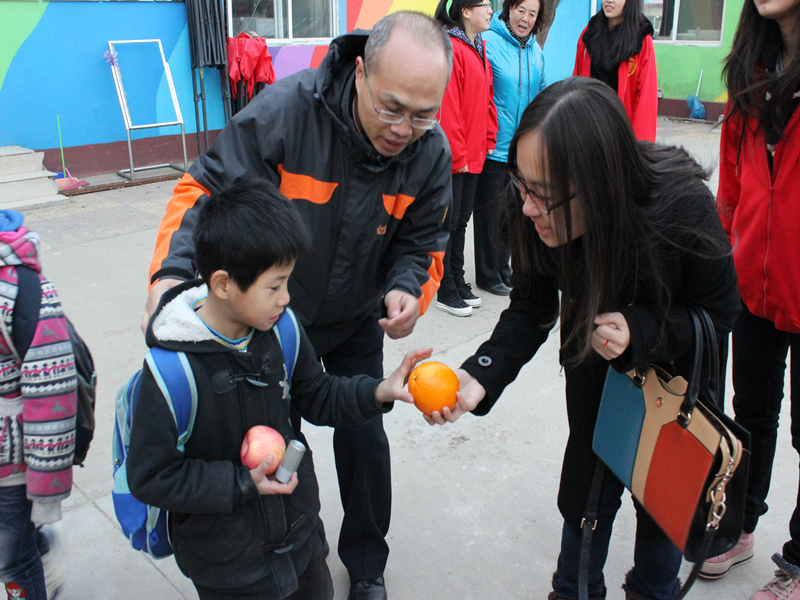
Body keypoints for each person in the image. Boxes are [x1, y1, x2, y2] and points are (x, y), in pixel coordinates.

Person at [140, 12, 453, 600]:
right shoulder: (286, 114)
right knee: (274, 446)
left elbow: (425, 241)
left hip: (357, 318)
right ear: (360, 74)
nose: (404, 128)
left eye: (423, 114)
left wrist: (410, 290)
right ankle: (286, 554)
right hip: (277, 322)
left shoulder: (429, 152)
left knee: (365, 438)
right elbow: (206, 192)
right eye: (391, 107)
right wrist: (172, 276)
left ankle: (366, 565)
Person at [427, 77, 741, 600]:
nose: (527, 207)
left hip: (676, 391)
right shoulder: (532, 203)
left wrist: (642, 330)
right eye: (522, 186)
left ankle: (653, 589)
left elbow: (721, 311)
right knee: (585, 497)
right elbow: (530, 306)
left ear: (598, 182)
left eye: (542, 197)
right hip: (595, 376)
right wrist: (479, 376)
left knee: (662, 502)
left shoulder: (679, 206)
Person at [127, 181, 431, 600]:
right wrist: (240, 483)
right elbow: (151, 477)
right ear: (222, 284)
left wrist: (378, 391)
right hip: (229, 570)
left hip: (302, 541)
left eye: (288, 282)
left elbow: (317, 394)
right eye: (274, 286)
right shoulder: (171, 373)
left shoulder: (283, 330)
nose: (286, 298)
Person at [698, 1, 800, 597]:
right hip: (752, 280)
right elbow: (732, 182)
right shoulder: (752, 67)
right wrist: (724, 250)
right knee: (750, 412)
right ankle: (740, 526)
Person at [0, 210, 76, 600]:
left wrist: (46, 495)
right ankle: (37, 545)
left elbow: (53, 394)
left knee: (10, 561)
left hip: (11, 469)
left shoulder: (23, 288)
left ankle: (34, 554)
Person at [473, 0, 547, 296]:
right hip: (493, 145)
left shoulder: (536, 51)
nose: (525, 19)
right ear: (509, 9)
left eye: (532, 14)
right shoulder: (488, 42)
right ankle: (487, 274)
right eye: (521, 10)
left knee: (512, 213)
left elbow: (540, 95)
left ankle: (503, 270)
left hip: (522, 150)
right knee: (489, 212)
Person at [433, 0, 498, 316]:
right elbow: (449, 108)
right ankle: (445, 288)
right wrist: (457, 154)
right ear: (465, 11)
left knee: (461, 221)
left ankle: (457, 279)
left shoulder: (477, 46)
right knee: (450, 222)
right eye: (484, 4)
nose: (490, 9)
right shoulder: (452, 47)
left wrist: (488, 136)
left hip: (474, 153)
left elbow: (487, 98)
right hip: (457, 155)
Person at [573, 0, 658, 142]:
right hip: (588, 131)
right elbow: (576, 83)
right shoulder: (589, 34)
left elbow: (646, 100)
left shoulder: (641, 40)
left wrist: (640, 150)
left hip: (621, 137)